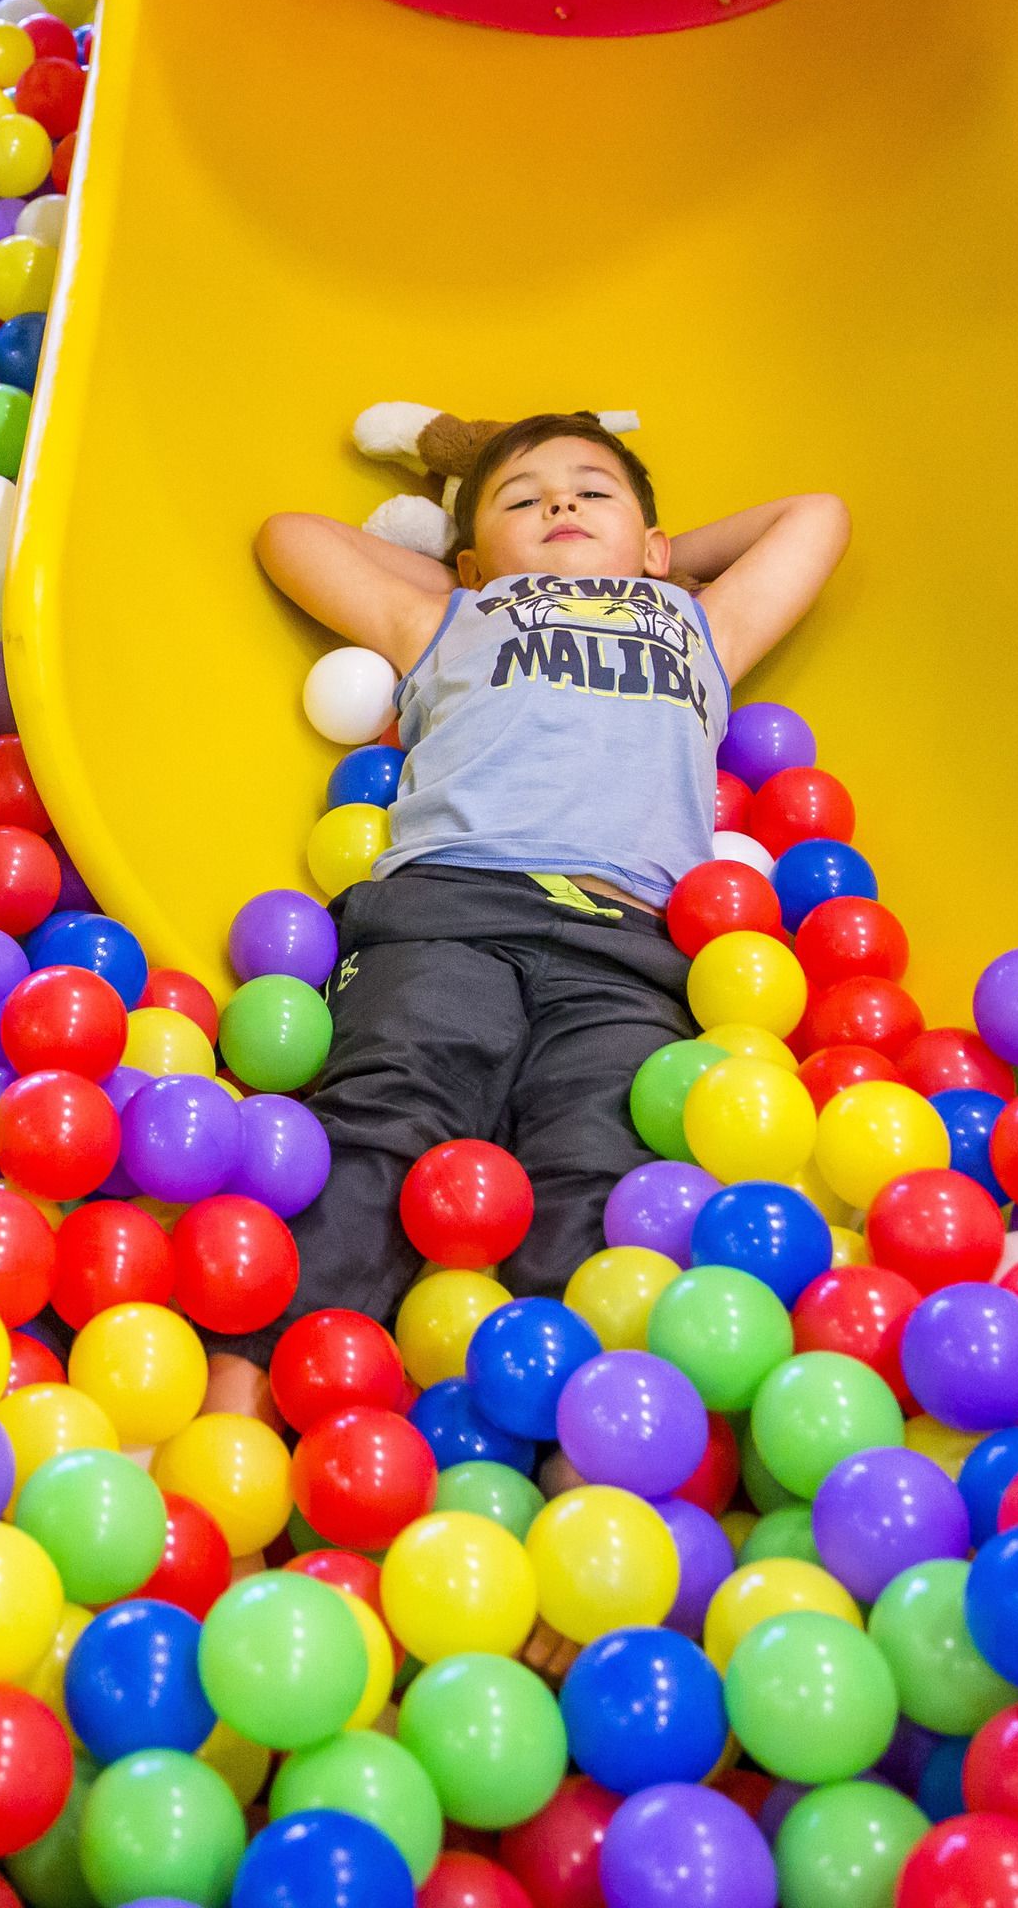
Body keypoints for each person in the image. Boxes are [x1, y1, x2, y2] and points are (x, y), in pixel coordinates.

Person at [208, 405, 850, 1418]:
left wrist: (658, 566)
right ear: (469, 561)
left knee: (604, 1173)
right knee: (380, 1124)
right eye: (523, 497)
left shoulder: (697, 627)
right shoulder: (451, 621)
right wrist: (485, 581)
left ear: (651, 541)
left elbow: (817, 516)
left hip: (628, 947)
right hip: (446, 907)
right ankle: (228, 1426)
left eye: (592, 491)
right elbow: (290, 535)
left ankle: (581, 1472)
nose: (558, 500)